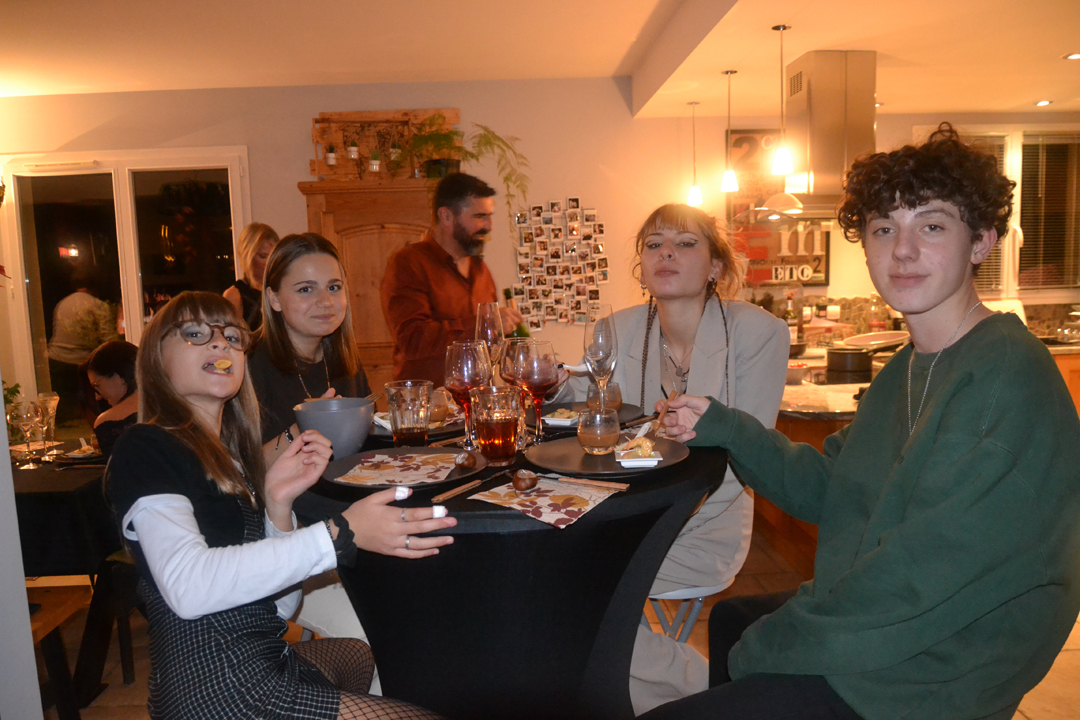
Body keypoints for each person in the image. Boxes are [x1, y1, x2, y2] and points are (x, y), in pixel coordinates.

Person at [642, 123, 1080, 720]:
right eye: (883, 228)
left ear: (981, 241)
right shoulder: (907, 368)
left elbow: (919, 576)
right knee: (732, 619)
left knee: (745, 647)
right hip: (900, 621)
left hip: (938, 667)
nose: (903, 250)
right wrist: (726, 426)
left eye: (931, 225)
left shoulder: (1004, 376)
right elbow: (829, 485)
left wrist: (777, 642)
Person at [107, 291, 454, 720]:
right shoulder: (146, 447)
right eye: (195, 334)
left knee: (355, 656)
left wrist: (277, 505)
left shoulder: (229, 457)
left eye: (232, 337)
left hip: (258, 658)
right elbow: (188, 588)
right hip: (216, 689)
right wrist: (339, 533)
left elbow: (278, 609)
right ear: (156, 359)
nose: (220, 343)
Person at [556, 203, 789, 714]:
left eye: (685, 244)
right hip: (624, 515)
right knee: (564, 593)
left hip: (708, 520)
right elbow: (586, 400)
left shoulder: (758, 332)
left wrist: (649, 523)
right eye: (654, 244)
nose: (666, 253)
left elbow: (751, 451)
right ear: (641, 265)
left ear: (715, 266)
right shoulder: (617, 327)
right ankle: (695, 692)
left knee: (572, 594)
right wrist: (553, 384)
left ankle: (716, 691)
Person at [380, 172, 524, 387]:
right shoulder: (409, 263)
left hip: (477, 399)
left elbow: (490, 343)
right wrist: (483, 324)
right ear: (446, 216)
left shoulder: (481, 270)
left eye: (489, 216)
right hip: (428, 403)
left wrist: (513, 347)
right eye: (480, 216)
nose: (489, 226)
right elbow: (413, 340)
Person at [249, 233, 372, 456]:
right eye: (306, 289)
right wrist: (305, 425)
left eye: (334, 287)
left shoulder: (345, 358)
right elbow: (242, 469)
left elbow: (366, 443)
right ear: (274, 299)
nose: (326, 301)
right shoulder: (248, 364)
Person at [48, 272, 119, 423]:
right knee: (89, 411)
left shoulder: (62, 304)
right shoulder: (98, 306)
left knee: (63, 413)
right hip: (81, 363)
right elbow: (109, 340)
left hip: (56, 360)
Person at [81, 340, 139, 457]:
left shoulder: (109, 421)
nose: (97, 396)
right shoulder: (169, 404)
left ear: (117, 376)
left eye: (97, 386)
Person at [223, 222, 280, 332]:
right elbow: (232, 338)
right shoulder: (235, 295)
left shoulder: (281, 289)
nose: (270, 263)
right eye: (263, 256)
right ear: (248, 257)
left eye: (273, 256)